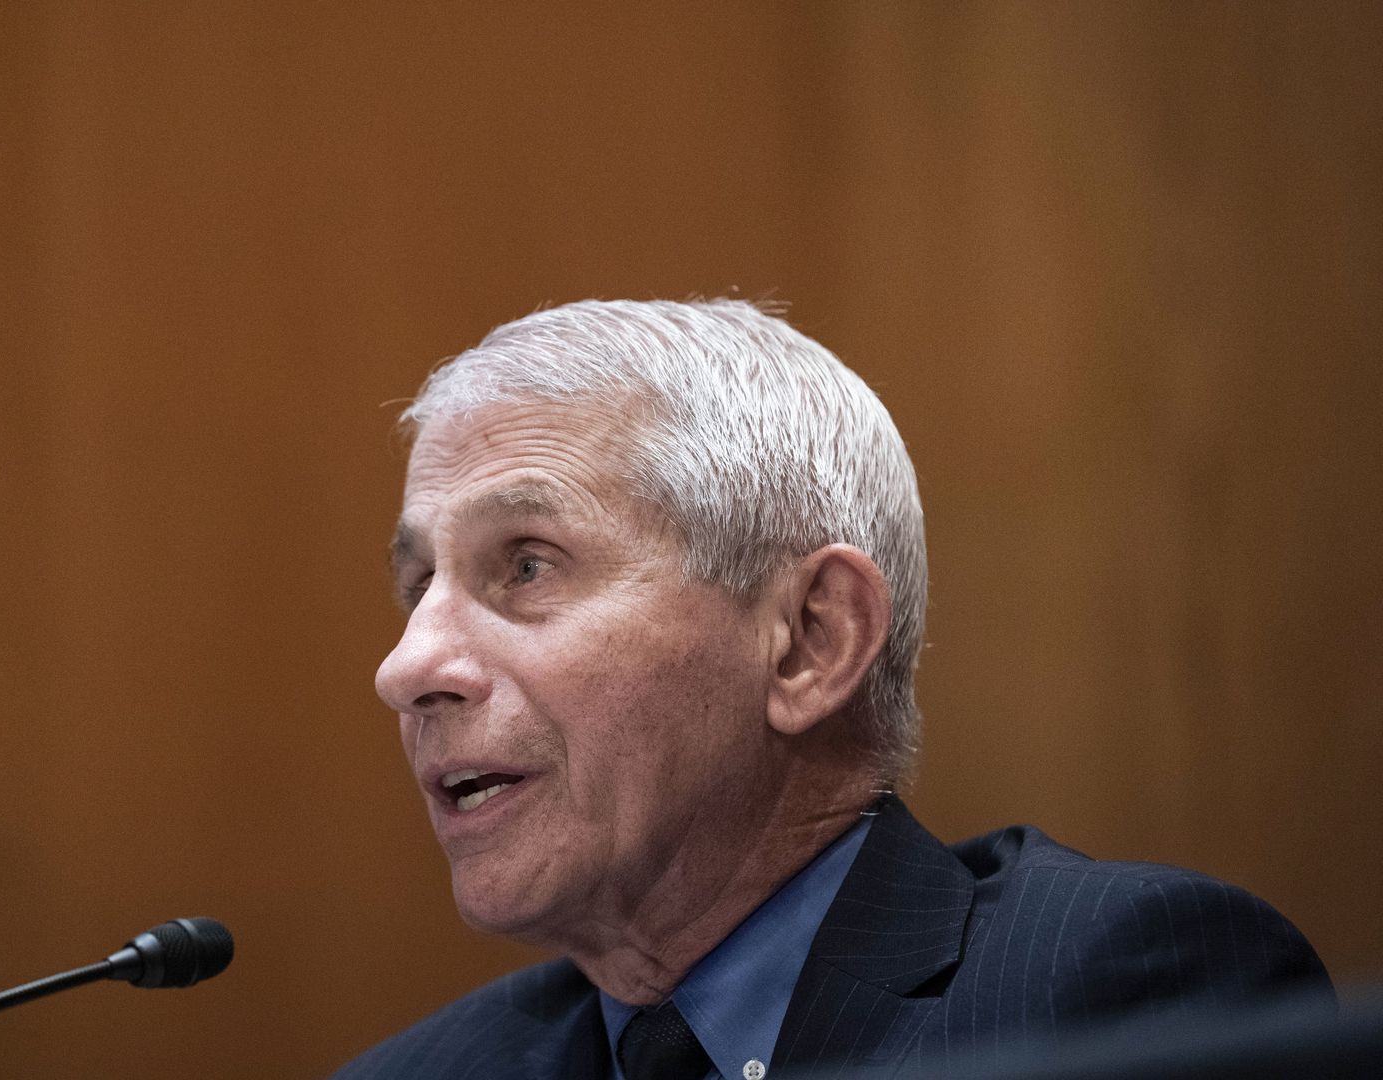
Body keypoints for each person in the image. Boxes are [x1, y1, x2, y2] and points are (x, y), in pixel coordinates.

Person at [335, 299, 1330, 1079]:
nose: (407, 667)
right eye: (419, 586)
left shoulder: (1109, 997)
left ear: (812, 641)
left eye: (526, 566)